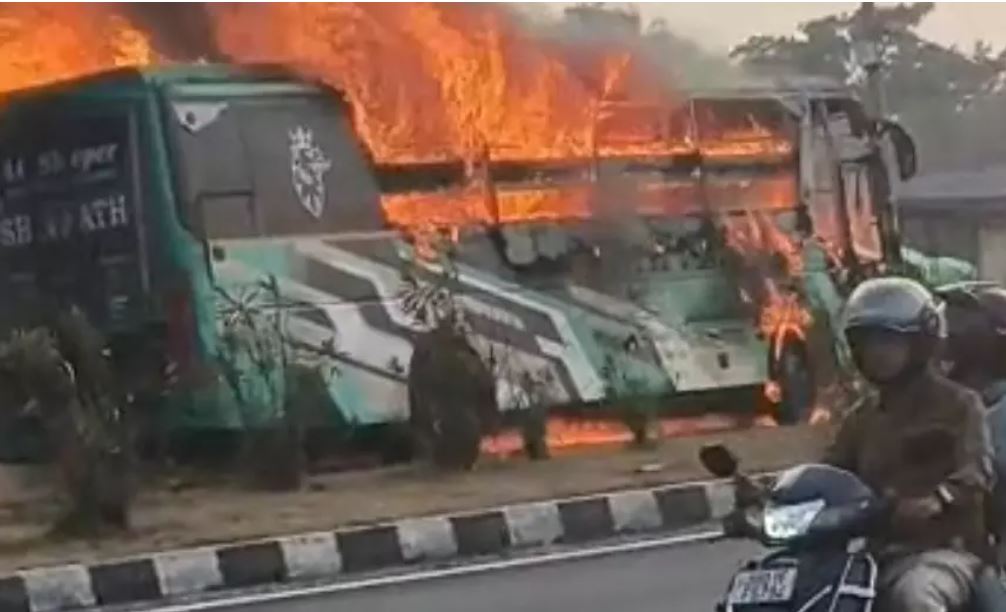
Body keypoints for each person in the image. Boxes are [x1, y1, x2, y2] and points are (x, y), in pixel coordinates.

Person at [827, 276, 995, 612]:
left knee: (916, 598)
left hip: (943, 552)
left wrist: (938, 499)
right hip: (874, 556)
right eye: (868, 342)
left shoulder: (959, 404)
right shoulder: (861, 417)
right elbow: (829, 475)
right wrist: (767, 498)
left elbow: (977, 472)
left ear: (921, 343)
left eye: (889, 341)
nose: (877, 352)